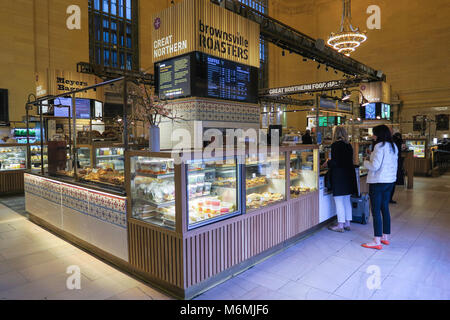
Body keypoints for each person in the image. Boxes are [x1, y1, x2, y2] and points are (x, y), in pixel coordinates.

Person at [362, 125, 398, 250]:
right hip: (390, 181)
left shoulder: (379, 146)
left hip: (378, 182)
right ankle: (385, 237)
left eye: (374, 133)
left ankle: (376, 241)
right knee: (385, 209)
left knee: (376, 211)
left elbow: (375, 166)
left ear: (379, 134)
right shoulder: (393, 147)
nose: (373, 136)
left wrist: (365, 161)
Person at [326, 126, 358, 233]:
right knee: (346, 200)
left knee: (339, 200)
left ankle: (340, 225)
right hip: (349, 175)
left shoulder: (335, 145)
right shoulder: (348, 145)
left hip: (339, 176)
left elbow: (336, 162)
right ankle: (347, 223)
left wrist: (328, 162)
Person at [390, 132, 404, 203]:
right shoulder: (398, 142)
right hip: (397, 161)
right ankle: (390, 198)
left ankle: (388, 198)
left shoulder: (391, 143)